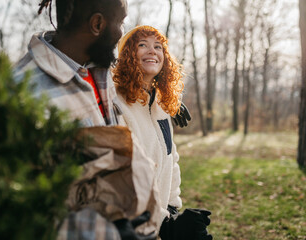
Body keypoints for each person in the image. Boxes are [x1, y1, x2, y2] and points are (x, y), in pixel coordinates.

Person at [13, 1, 162, 239]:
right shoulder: (25, 94)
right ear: (97, 24)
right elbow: (25, 205)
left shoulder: (99, 75)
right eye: (121, 22)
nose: (122, 31)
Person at [112, 25, 212, 240]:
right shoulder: (116, 104)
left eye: (158, 47)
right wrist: (163, 222)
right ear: (127, 54)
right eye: (142, 45)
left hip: (160, 219)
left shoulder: (161, 107)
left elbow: (171, 159)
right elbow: (122, 175)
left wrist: (172, 207)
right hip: (129, 225)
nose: (152, 51)